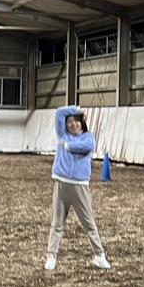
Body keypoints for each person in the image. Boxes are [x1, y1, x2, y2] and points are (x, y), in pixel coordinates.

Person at [45, 106, 111, 271]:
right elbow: (60, 112)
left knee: (89, 222)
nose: (73, 124)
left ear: (82, 123)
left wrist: (67, 146)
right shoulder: (62, 134)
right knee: (57, 223)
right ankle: (51, 256)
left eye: (76, 121)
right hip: (61, 183)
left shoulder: (88, 136)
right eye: (70, 121)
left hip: (80, 185)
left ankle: (99, 255)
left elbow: (87, 146)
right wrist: (78, 110)